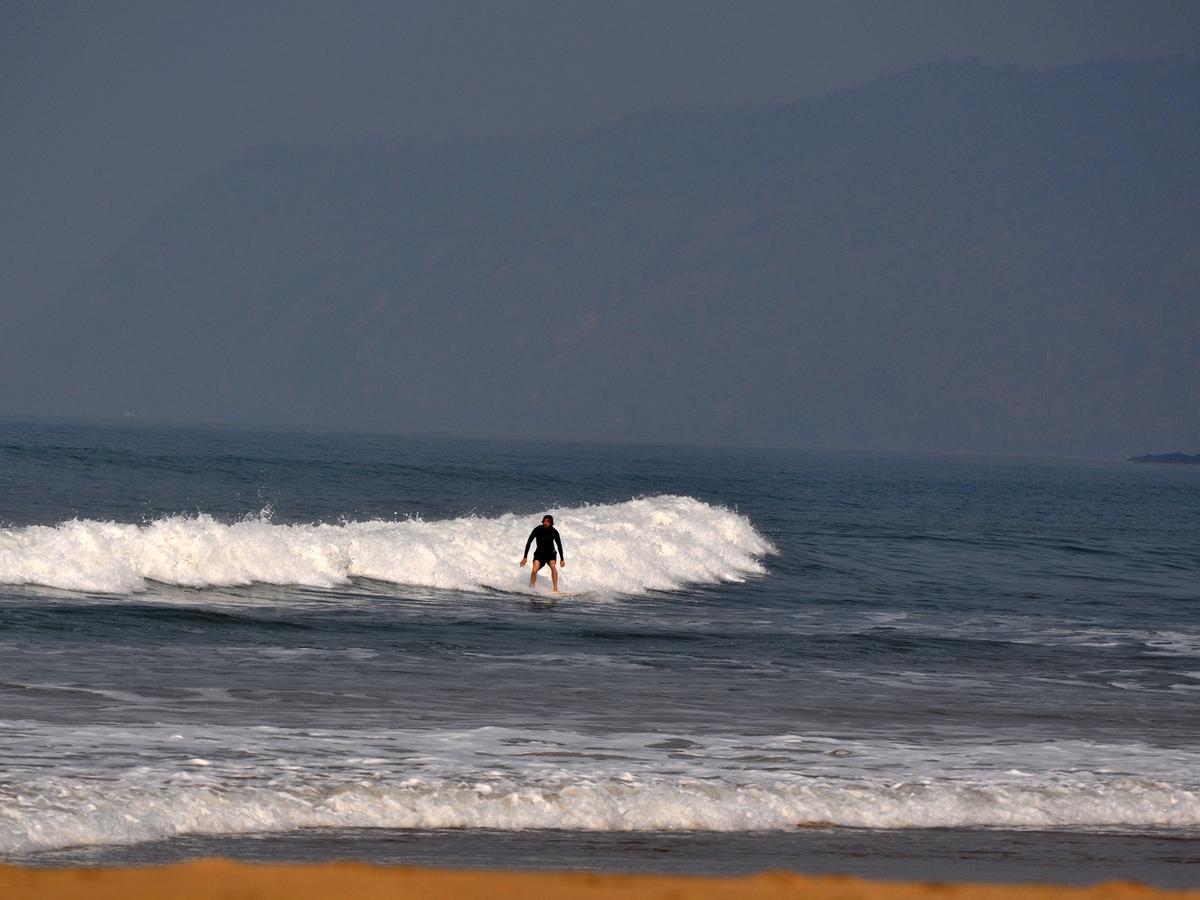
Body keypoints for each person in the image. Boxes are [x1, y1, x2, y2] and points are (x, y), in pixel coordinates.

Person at [519, 514, 565, 592]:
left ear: (551, 523)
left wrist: (562, 559)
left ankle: (555, 589)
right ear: (542, 521)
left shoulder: (554, 532)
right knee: (534, 569)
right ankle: (531, 587)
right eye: (544, 521)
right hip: (539, 554)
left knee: (553, 567)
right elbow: (529, 542)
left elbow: (559, 545)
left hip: (551, 554)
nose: (546, 523)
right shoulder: (537, 530)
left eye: (548, 522)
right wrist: (525, 557)